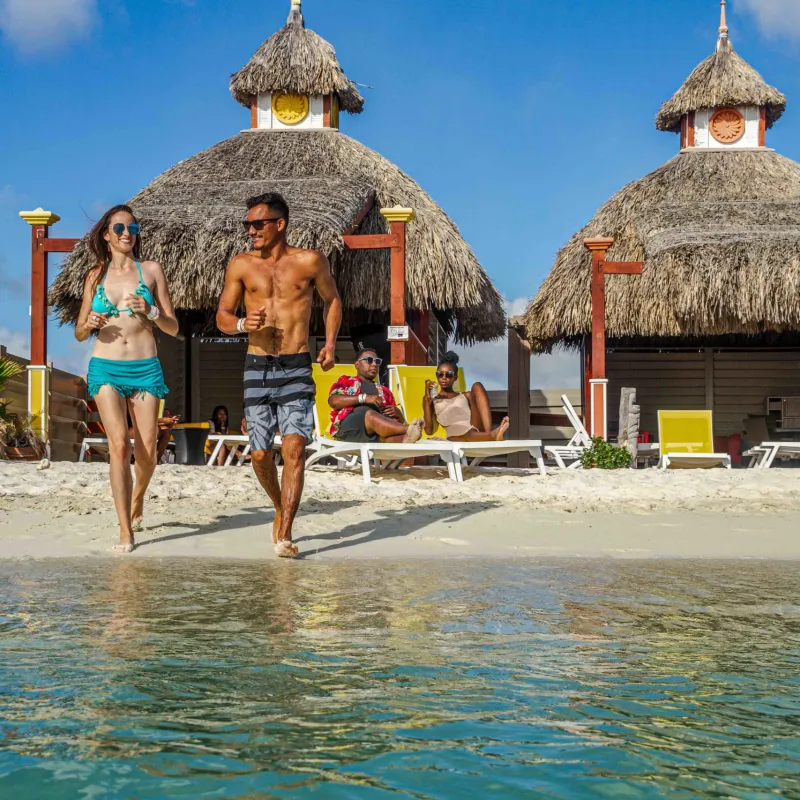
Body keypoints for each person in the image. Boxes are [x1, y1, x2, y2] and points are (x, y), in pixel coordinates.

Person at [216, 192, 342, 558]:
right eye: (248, 225)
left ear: (279, 224)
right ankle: (278, 504)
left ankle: (285, 532)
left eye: (258, 224)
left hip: (297, 365)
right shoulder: (240, 265)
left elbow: (333, 300)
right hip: (257, 365)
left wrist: (331, 344)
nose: (251, 231)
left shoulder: (310, 261)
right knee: (259, 455)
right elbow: (222, 317)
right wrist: (242, 322)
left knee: (295, 449)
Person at [76, 204, 179, 553]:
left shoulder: (150, 270)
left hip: (145, 367)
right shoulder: (94, 276)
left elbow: (173, 326)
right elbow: (78, 331)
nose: (126, 234)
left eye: (132, 229)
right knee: (119, 446)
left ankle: (138, 498)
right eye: (119, 228)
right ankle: (125, 531)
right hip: (105, 367)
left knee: (147, 453)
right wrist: (88, 323)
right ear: (106, 235)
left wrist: (149, 311)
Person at [329, 350, 423, 443]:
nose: (374, 364)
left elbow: (395, 422)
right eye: (369, 360)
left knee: (406, 443)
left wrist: (399, 414)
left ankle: (409, 435)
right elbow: (334, 401)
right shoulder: (346, 381)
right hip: (350, 429)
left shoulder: (385, 391)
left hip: (377, 434)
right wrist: (364, 398)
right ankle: (408, 428)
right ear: (357, 364)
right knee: (370, 414)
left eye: (377, 361)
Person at [423, 351, 509, 441]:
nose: (444, 377)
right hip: (456, 436)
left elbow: (479, 406)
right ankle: (491, 436)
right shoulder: (431, 400)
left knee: (477, 385)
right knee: (468, 434)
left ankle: (488, 433)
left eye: (449, 374)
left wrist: (471, 399)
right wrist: (427, 400)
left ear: (455, 377)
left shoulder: (465, 395)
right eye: (440, 374)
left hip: (474, 427)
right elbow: (428, 431)